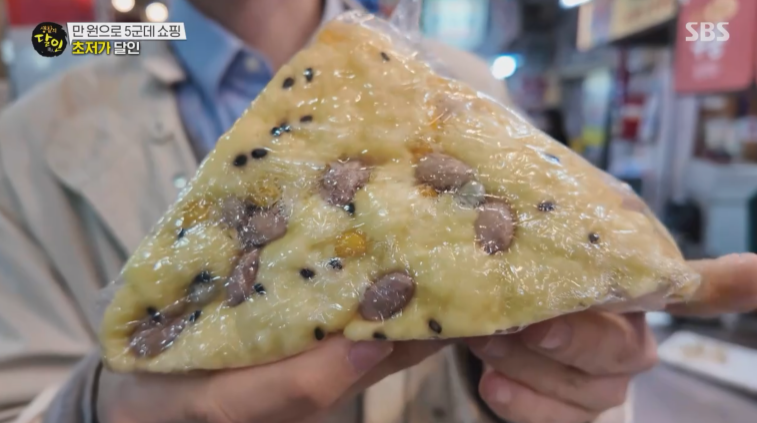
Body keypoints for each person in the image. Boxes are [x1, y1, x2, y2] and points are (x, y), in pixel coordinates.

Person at [0, 1, 755, 423]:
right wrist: (93, 410)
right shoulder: (26, 140)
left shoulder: (465, 84)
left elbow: (547, 346)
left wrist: (552, 385)